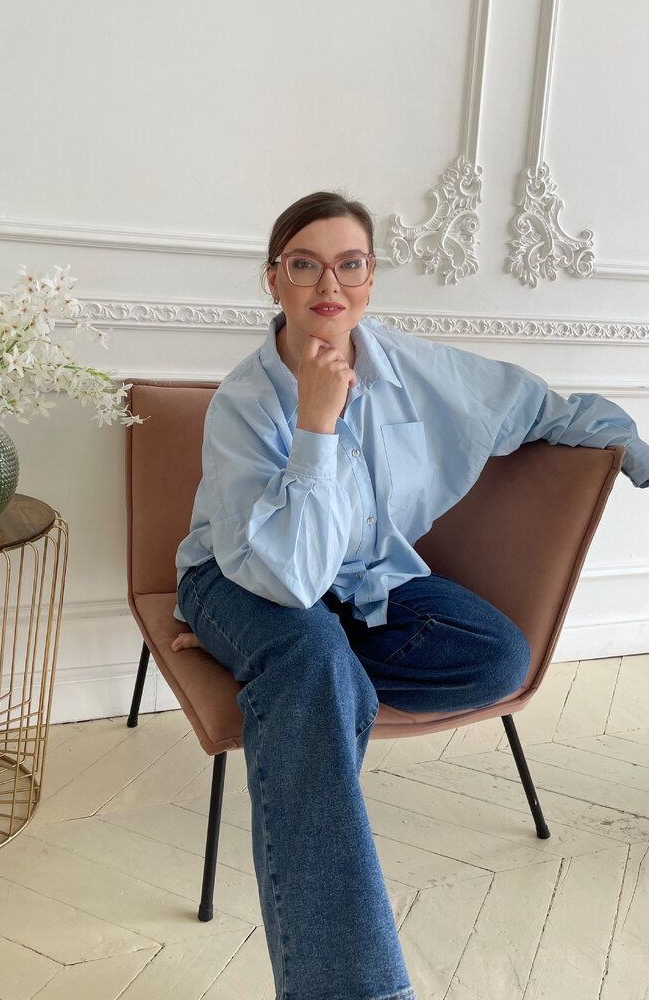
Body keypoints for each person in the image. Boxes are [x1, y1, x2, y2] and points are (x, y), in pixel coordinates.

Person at [172, 191, 649, 1000]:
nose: (329, 283)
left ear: (369, 277)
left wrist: (632, 450)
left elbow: (536, 406)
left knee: (496, 656)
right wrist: (316, 425)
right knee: (309, 654)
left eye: (349, 263)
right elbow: (289, 578)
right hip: (240, 578)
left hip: (360, 583)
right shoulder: (244, 402)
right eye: (304, 264)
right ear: (273, 280)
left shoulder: (410, 366)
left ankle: (290, 676)